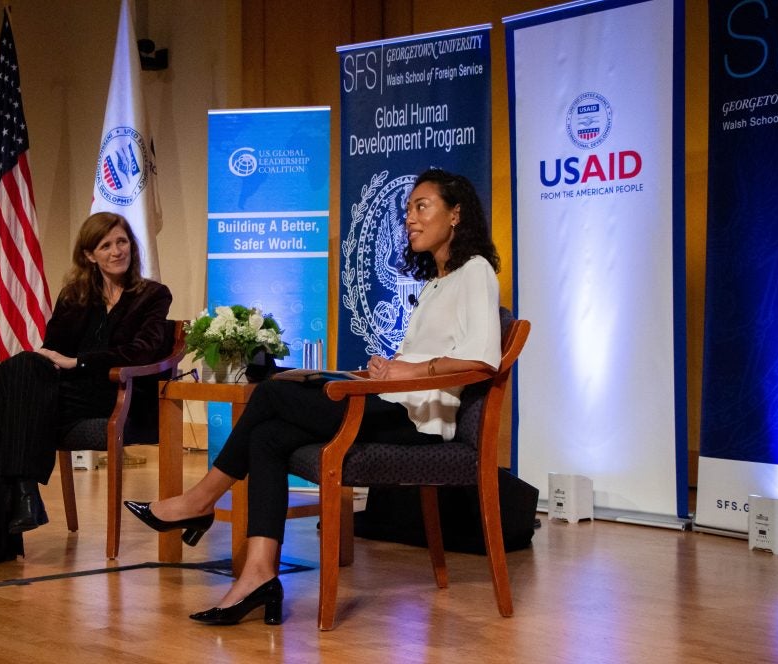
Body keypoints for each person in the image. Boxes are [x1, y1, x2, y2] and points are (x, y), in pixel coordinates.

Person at [124, 169, 502, 624]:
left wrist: (409, 370)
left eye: (422, 207)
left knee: (268, 395)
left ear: (456, 213)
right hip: (395, 402)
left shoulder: (476, 271)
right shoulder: (436, 283)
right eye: (407, 210)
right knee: (268, 437)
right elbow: (427, 359)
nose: (410, 219)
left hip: (419, 425)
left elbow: (483, 361)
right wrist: (386, 369)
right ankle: (259, 574)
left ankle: (199, 501)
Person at [0, 212, 173, 569]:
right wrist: (59, 362)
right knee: (21, 367)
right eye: (106, 245)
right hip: (70, 394)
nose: (117, 251)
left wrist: (80, 362)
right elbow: (52, 348)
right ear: (89, 255)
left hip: (118, 392)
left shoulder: (152, 295)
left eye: (122, 242)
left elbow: (143, 351)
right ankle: (22, 495)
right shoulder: (75, 295)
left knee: (3, 412)